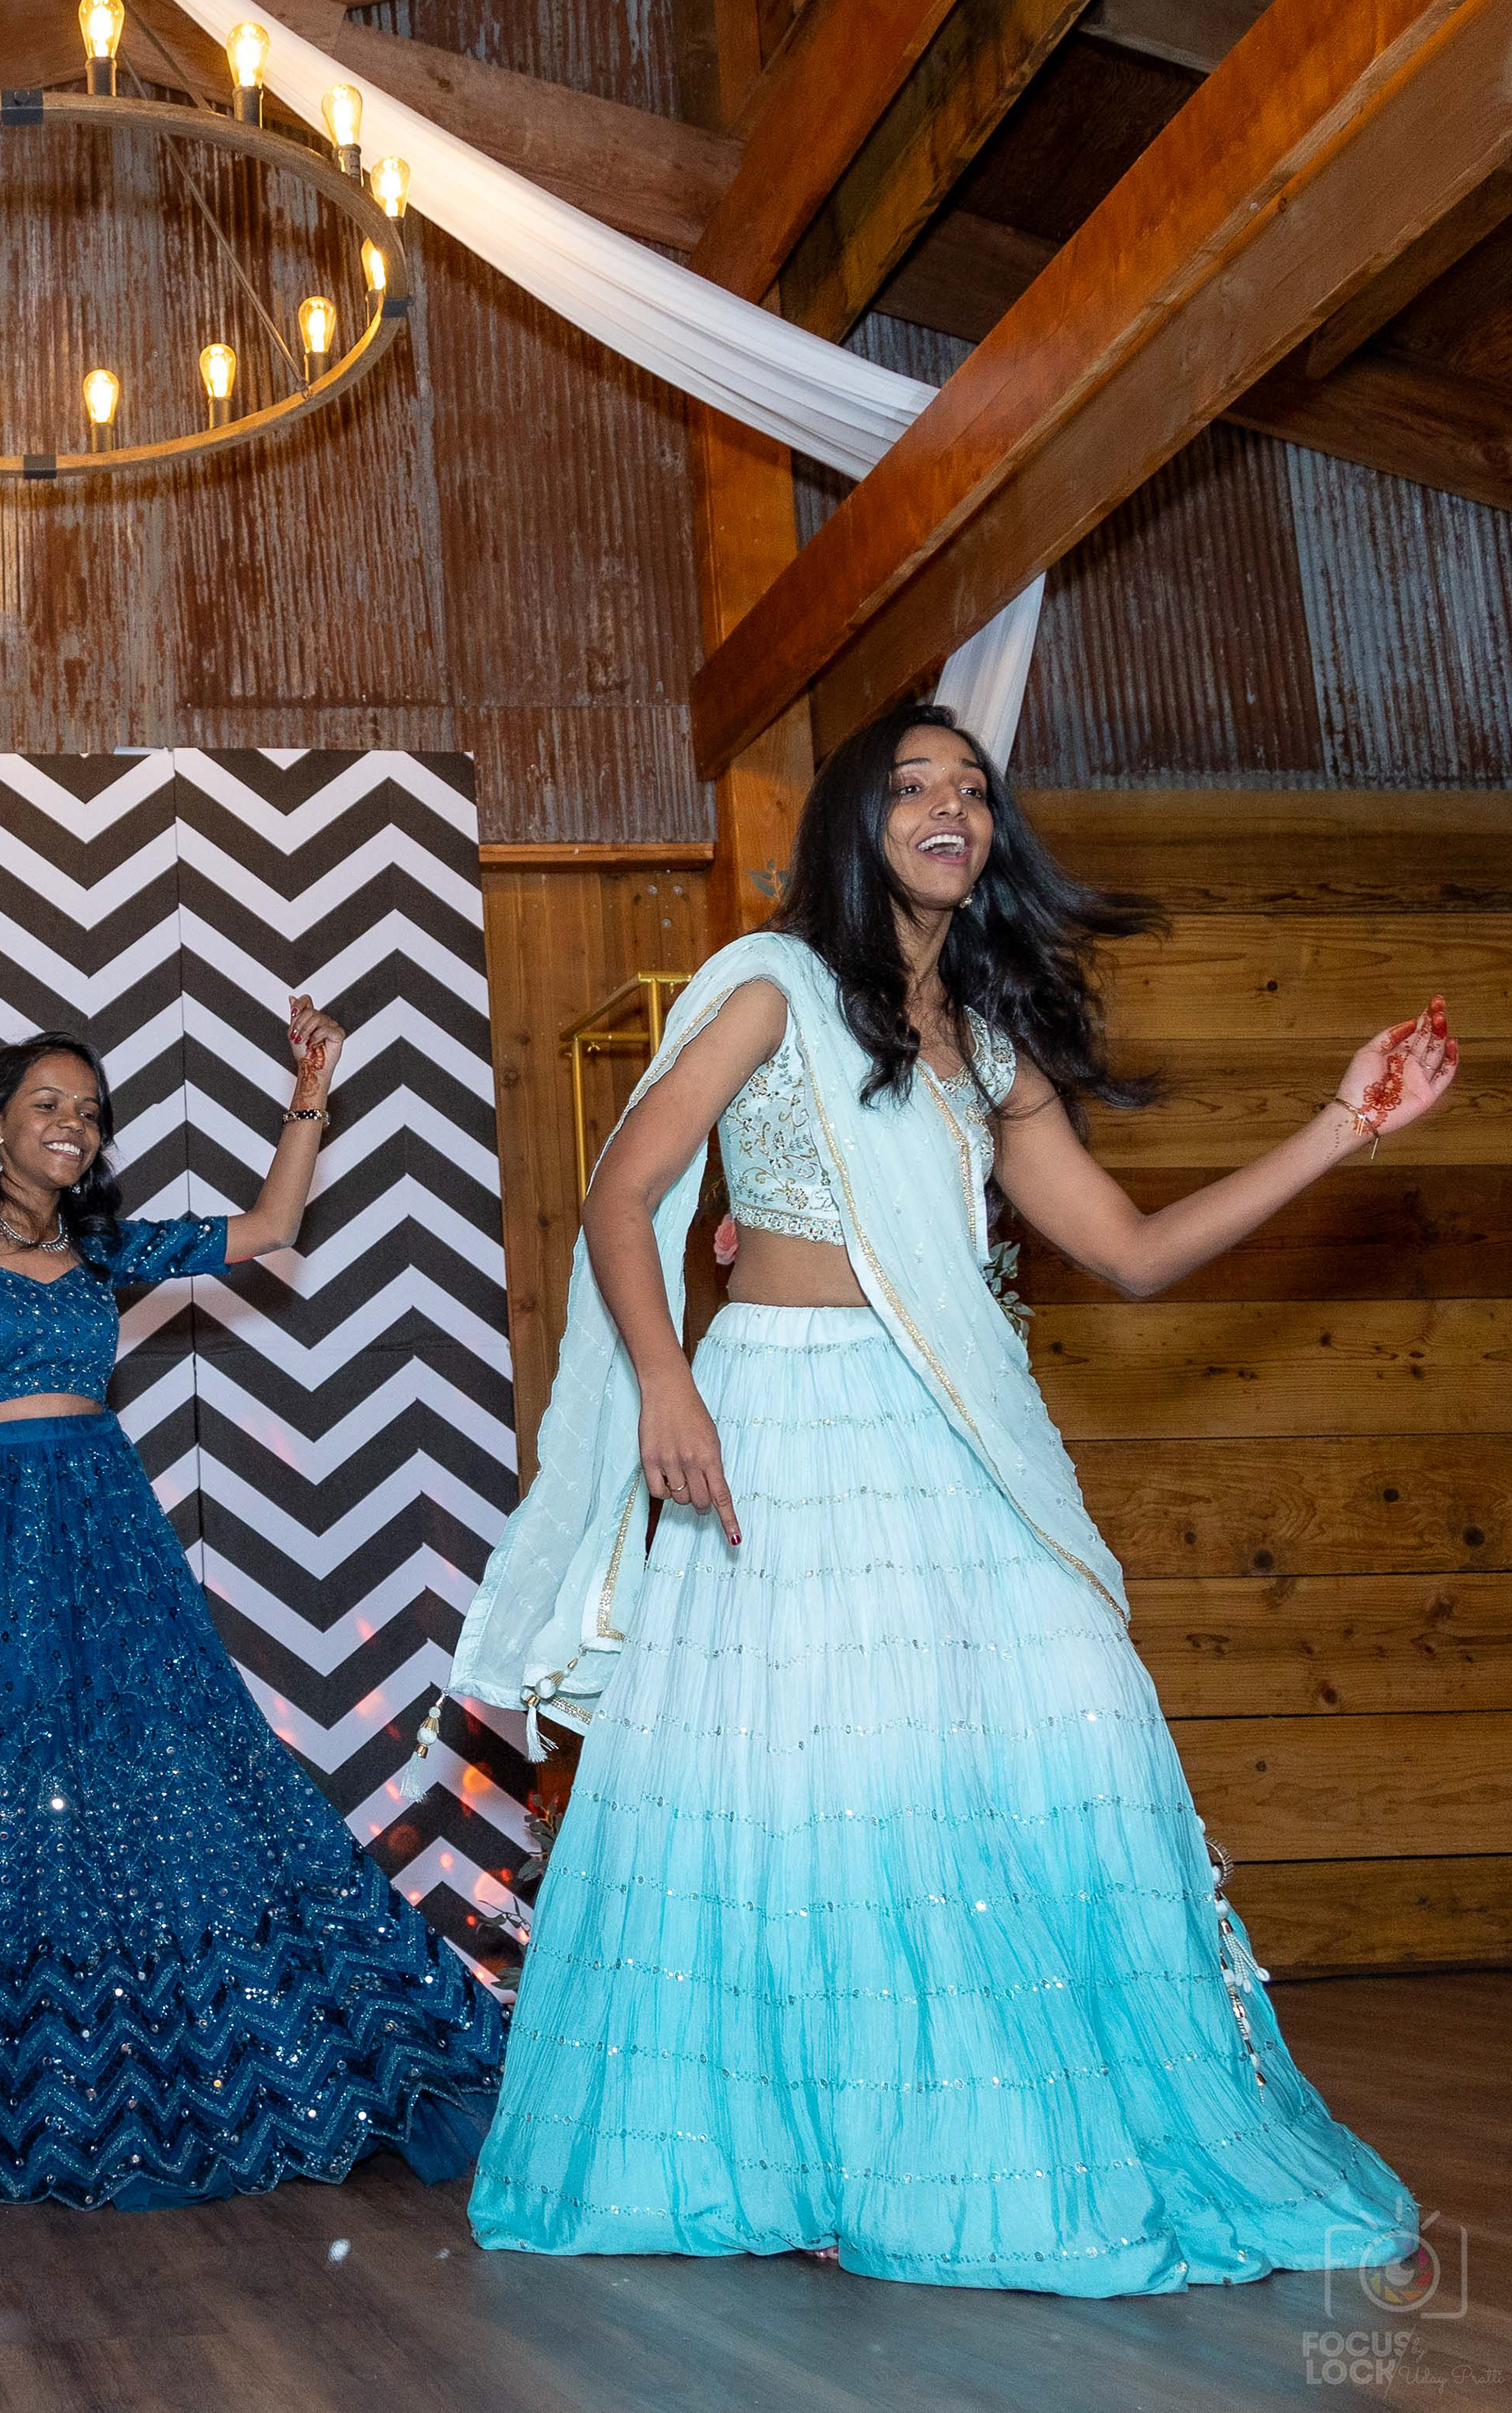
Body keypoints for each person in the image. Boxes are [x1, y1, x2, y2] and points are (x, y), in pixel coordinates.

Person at [454, 701, 1449, 2293]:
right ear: (859, 824)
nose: (950, 806)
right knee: (816, 1786)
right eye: (914, 785)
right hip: (782, 1420)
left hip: (954, 1433)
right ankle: (801, 2150)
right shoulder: (770, 986)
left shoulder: (989, 1045)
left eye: (972, 789)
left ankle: (963, 2131)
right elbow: (626, 1193)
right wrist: (665, 1381)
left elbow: (1130, 1252)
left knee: (1073, 1723)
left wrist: (1346, 1123)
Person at [0, 1006, 508, 2208]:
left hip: (101, 1530)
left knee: (162, 1773)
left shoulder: (110, 1246)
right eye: (48, 1105)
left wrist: (312, 1087)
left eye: (89, 1111)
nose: (73, 1125)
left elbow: (271, 1227)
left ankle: (162, 2058)